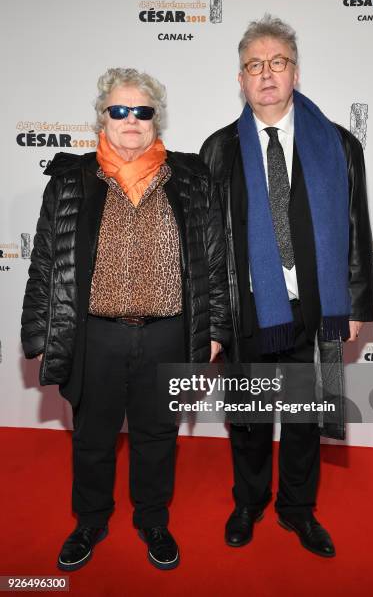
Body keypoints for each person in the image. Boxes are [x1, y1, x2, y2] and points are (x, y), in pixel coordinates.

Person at [21, 68, 230, 571]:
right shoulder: (71, 181)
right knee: (92, 436)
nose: (131, 119)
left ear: (156, 119)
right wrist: (38, 332)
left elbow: (214, 261)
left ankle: (153, 520)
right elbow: (46, 263)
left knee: (158, 435)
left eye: (142, 110)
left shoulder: (191, 179)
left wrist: (217, 328)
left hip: (168, 335)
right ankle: (90, 521)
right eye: (119, 110)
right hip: (95, 335)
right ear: (103, 118)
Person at [200, 16, 373, 557]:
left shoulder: (338, 145)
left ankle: (297, 510)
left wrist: (357, 301)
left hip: (316, 308)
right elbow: (207, 249)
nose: (266, 74)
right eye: (255, 65)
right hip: (250, 310)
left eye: (277, 62)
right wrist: (212, 320)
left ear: (295, 72)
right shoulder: (218, 151)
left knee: (302, 419)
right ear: (241, 78)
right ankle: (248, 502)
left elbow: (356, 227)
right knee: (248, 418)